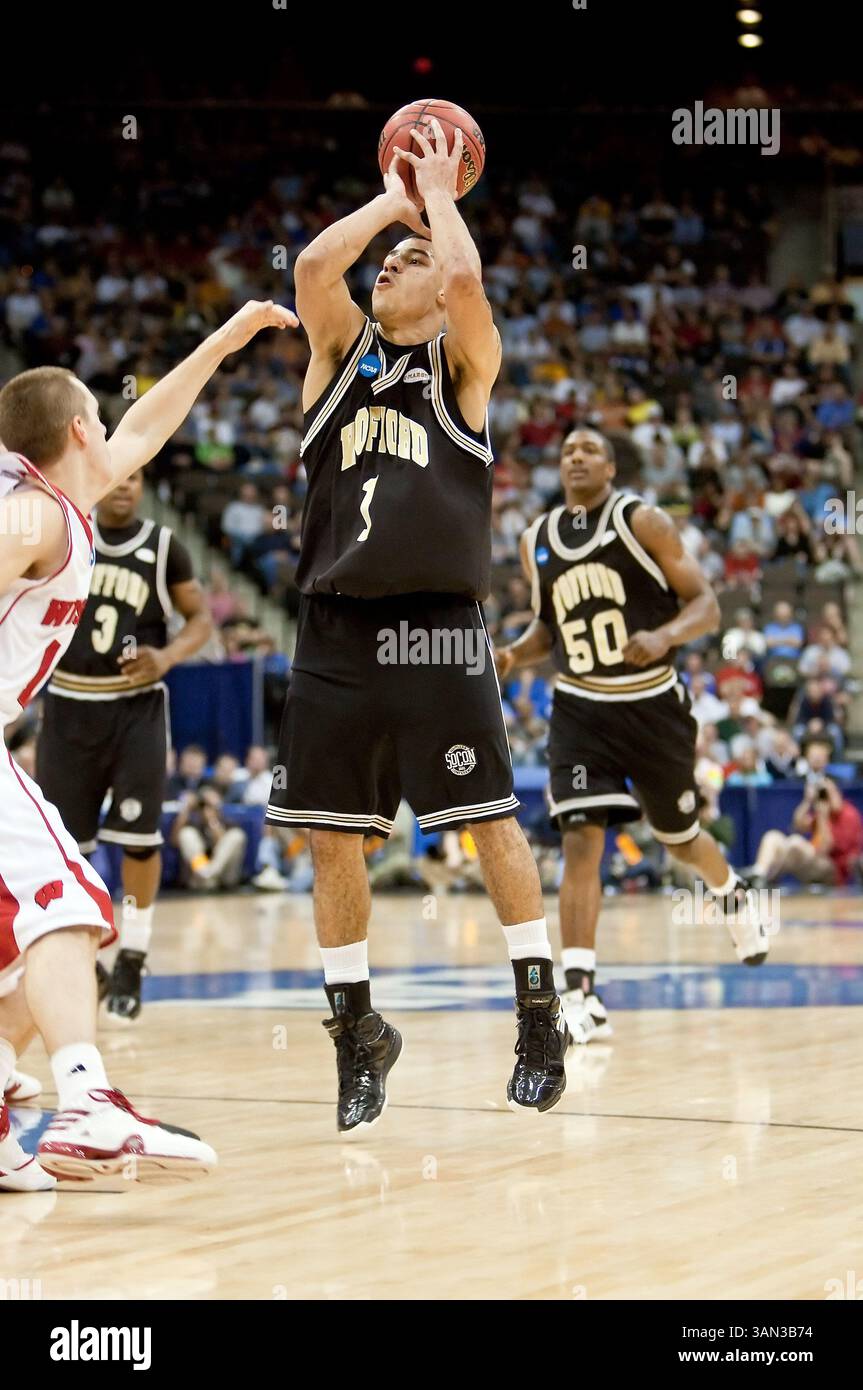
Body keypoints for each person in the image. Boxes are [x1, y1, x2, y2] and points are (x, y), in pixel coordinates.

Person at [265, 121, 571, 1133]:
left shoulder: (462, 368)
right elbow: (314, 264)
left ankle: (539, 1015)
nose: (390, 267)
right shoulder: (335, 357)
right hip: (334, 628)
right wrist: (397, 203)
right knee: (328, 839)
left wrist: (442, 208)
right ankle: (356, 1032)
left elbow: (473, 287)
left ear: (438, 286)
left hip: (438, 626)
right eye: (386, 263)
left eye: (410, 262)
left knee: (487, 819)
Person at [0, 296, 295, 1188]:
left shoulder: (64, 493)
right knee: (72, 905)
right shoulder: (36, 514)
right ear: (80, 428)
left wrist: (228, 338)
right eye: (100, 416)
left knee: (31, 941)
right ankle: (85, 1102)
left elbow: (149, 426)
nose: (114, 431)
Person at [495, 428, 769, 1045]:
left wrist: (665, 637)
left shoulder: (642, 522)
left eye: (589, 449)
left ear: (612, 466)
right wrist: (515, 654)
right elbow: (551, 629)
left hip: (651, 708)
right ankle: (581, 993)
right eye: (566, 450)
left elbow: (707, 606)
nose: (575, 457)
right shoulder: (534, 540)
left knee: (680, 839)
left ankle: (732, 893)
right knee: (580, 838)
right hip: (580, 707)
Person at [34, 466, 212, 1023]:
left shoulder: (164, 547)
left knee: (139, 840)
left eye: (136, 478)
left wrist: (168, 656)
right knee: (67, 850)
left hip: (135, 707)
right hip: (67, 704)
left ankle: (133, 954)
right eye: (117, 477)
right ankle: (87, 957)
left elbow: (200, 619)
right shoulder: (65, 535)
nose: (125, 487)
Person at [748, 741, 863, 889]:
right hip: (809, 859)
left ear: (838, 793)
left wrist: (822, 818)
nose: (827, 798)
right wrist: (807, 801)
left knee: (795, 843)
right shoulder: (823, 809)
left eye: (830, 793)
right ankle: (759, 873)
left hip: (831, 868)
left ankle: (769, 877)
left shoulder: (849, 814)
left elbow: (825, 848)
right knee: (773, 837)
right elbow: (798, 825)